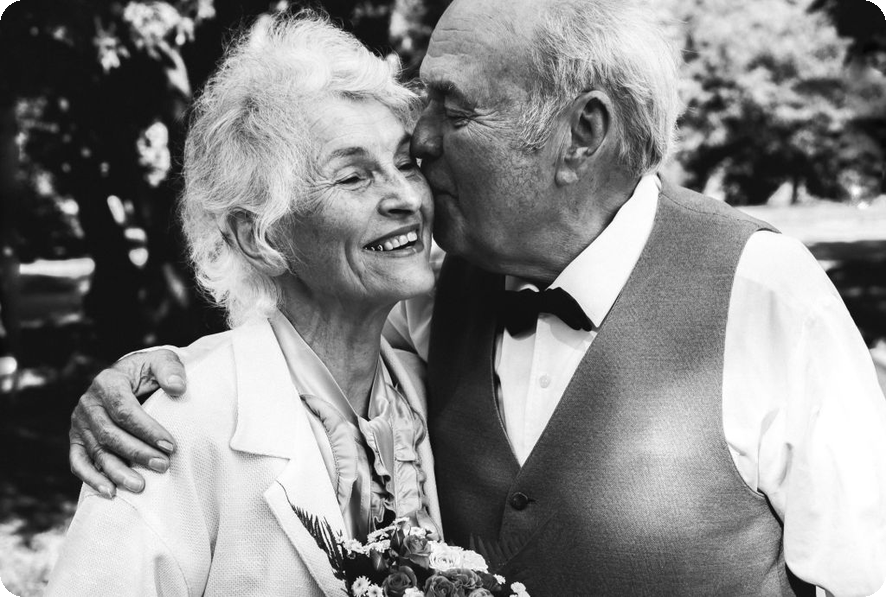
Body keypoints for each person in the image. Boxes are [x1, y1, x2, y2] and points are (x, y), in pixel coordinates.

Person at [69, 0, 886, 595]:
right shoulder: (429, 301)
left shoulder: (770, 301)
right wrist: (149, 383)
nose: (421, 150)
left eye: (451, 111)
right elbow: (288, 339)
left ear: (582, 133)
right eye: (358, 172)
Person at [47, 12, 441, 596]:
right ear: (259, 236)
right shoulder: (173, 423)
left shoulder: (432, 384)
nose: (405, 196)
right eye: (354, 177)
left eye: (406, 163)